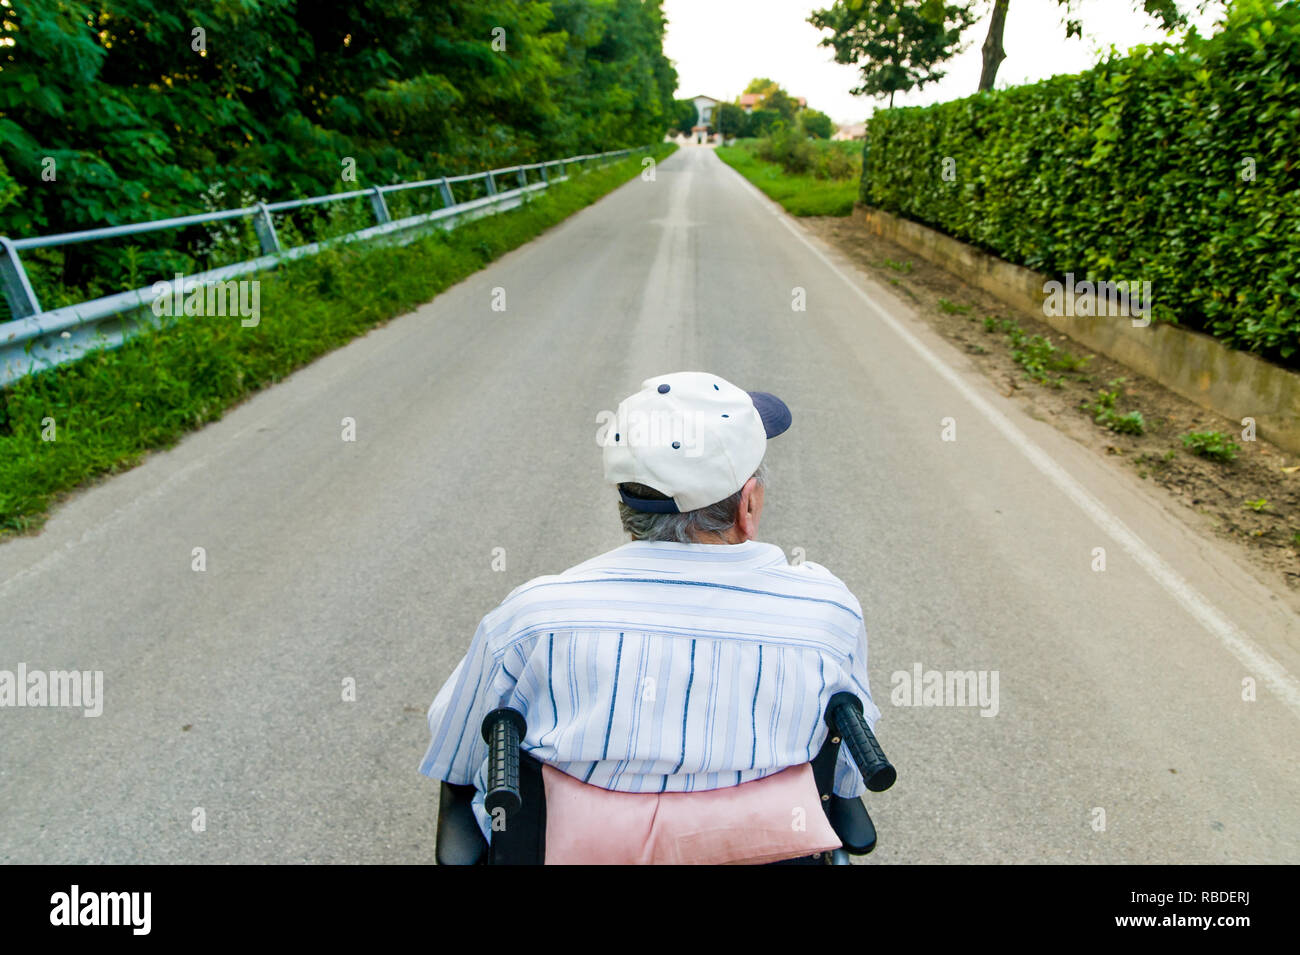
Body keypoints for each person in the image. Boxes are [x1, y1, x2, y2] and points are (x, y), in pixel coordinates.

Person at [418, 371, 881, 855]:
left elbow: (458, 751)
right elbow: (849, 757)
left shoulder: (532, 619)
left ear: (626, 502)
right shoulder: (826, 614)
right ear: (748, 506)